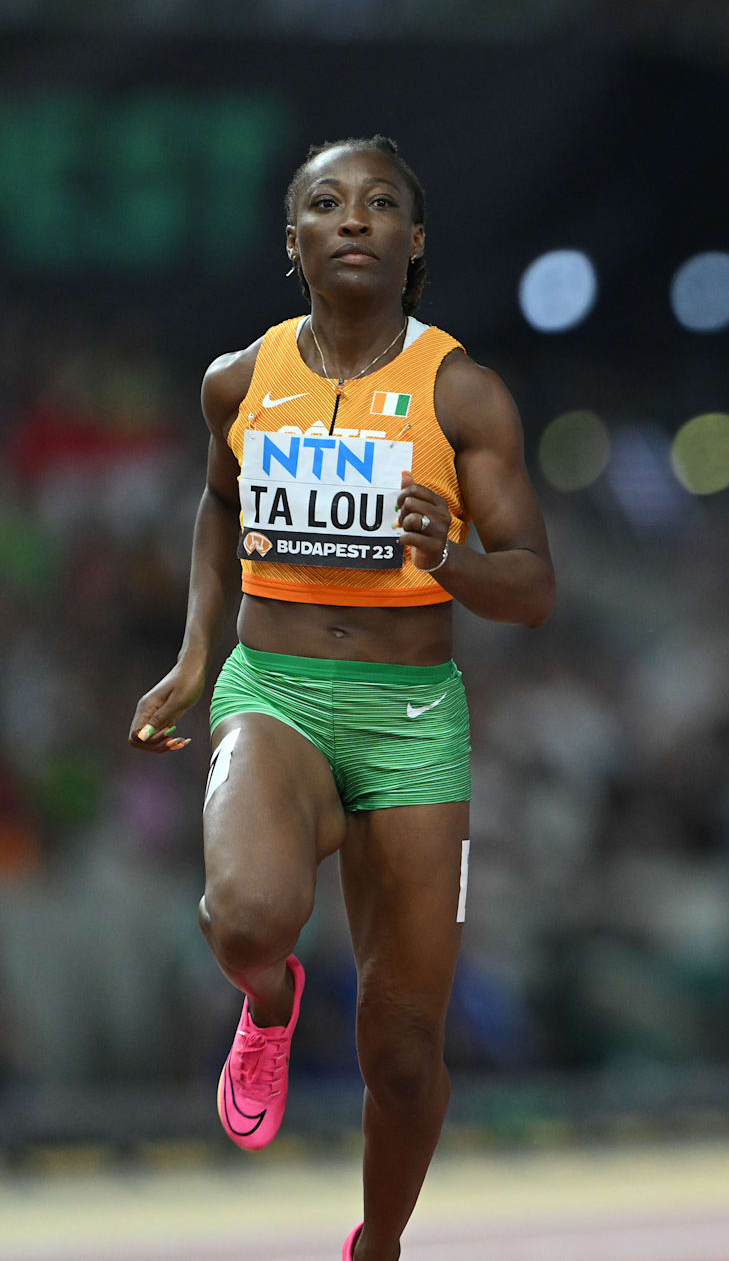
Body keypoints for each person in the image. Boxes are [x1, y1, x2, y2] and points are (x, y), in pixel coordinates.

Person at [126, 136, 556, 1261]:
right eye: (327, 203)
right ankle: (268, 1007)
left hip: (411, 717)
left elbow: (533, 587)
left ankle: (380, 1246)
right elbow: (218, 511)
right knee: (244, 919)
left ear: (414, 243)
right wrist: (191, 655)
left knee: (404, 1047)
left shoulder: (462, 393)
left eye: (380, 205)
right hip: (272, 687)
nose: (353, 219)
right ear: (294, 242)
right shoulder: (239, 379)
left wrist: (451, 557)